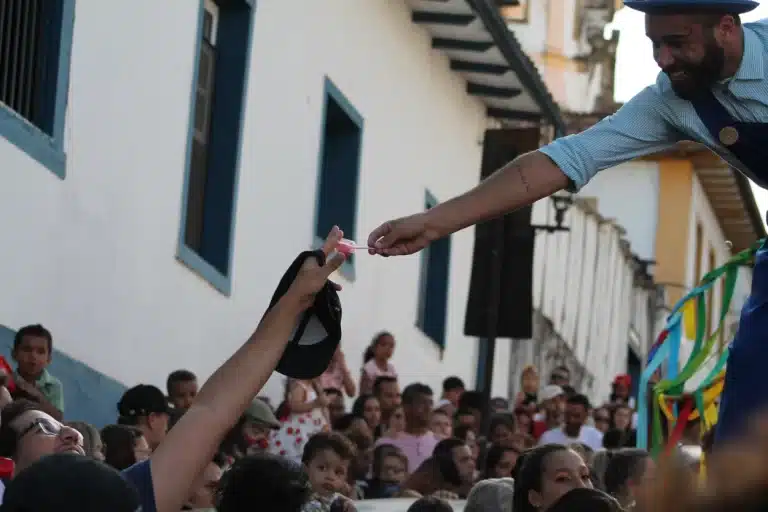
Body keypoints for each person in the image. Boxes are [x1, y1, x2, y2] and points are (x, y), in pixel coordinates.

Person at [364, 0, 765, 445]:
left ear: (726, 27)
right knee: (749, 379)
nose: (663, 59)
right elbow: (565, 157)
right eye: (654, 43)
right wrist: (436, 222)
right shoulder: (672, 102)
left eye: (676, 43)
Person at [10, 324, 64, 420]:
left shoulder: (53, 385)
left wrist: (36, 395)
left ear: (49, 359)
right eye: (27, 349)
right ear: (14, 354)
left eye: (40, 352)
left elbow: (58, 418)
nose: (33, 356)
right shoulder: (7, 379)